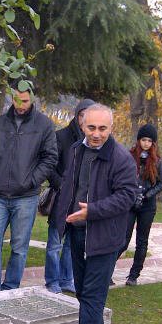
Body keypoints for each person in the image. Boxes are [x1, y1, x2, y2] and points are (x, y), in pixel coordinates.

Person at [50, 103, 136, 324]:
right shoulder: (76, 149)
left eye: (102, 128)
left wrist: (93, 211)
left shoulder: (121, 158)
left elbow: (127, 196)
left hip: (104, 237)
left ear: (111, 127)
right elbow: (70, 185)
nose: (96, 134)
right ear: (82, 124)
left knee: (93, 295)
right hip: (77, 232)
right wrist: (62, 217)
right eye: (91, 127)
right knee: (83, 292)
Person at [0, 85, 57, 292]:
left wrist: (32, 180)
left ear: (32, 99)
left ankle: (10, 287)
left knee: (19, 248)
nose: (20, 105)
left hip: (26, 197)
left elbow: (50, 158)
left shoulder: (44, 125)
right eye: (16, 100)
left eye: (24, 101)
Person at [44, 98, 94, 294]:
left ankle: (66, 279)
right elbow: (50, 166)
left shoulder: (92, 141)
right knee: (55, 242)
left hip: (80, 201)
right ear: (77, 115)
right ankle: (51, 281)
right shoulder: (61, 137)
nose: (84, 120)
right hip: (61, 199)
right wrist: (62, 186)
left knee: (72, 245)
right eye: (82, 115)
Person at [121, 123, 162, 286]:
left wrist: (146, 196)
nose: (146, 143)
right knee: (122, 238)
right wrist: (131, 194)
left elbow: (161, 183)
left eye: (149, 141)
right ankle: (107, 270)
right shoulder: (129, 155)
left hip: (147, 205)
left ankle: (134, 275)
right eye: (143, 140)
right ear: (139, 140)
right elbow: (122, 177)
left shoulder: (157, 161)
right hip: (130, 202)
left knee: (142, 240)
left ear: (153, 143)